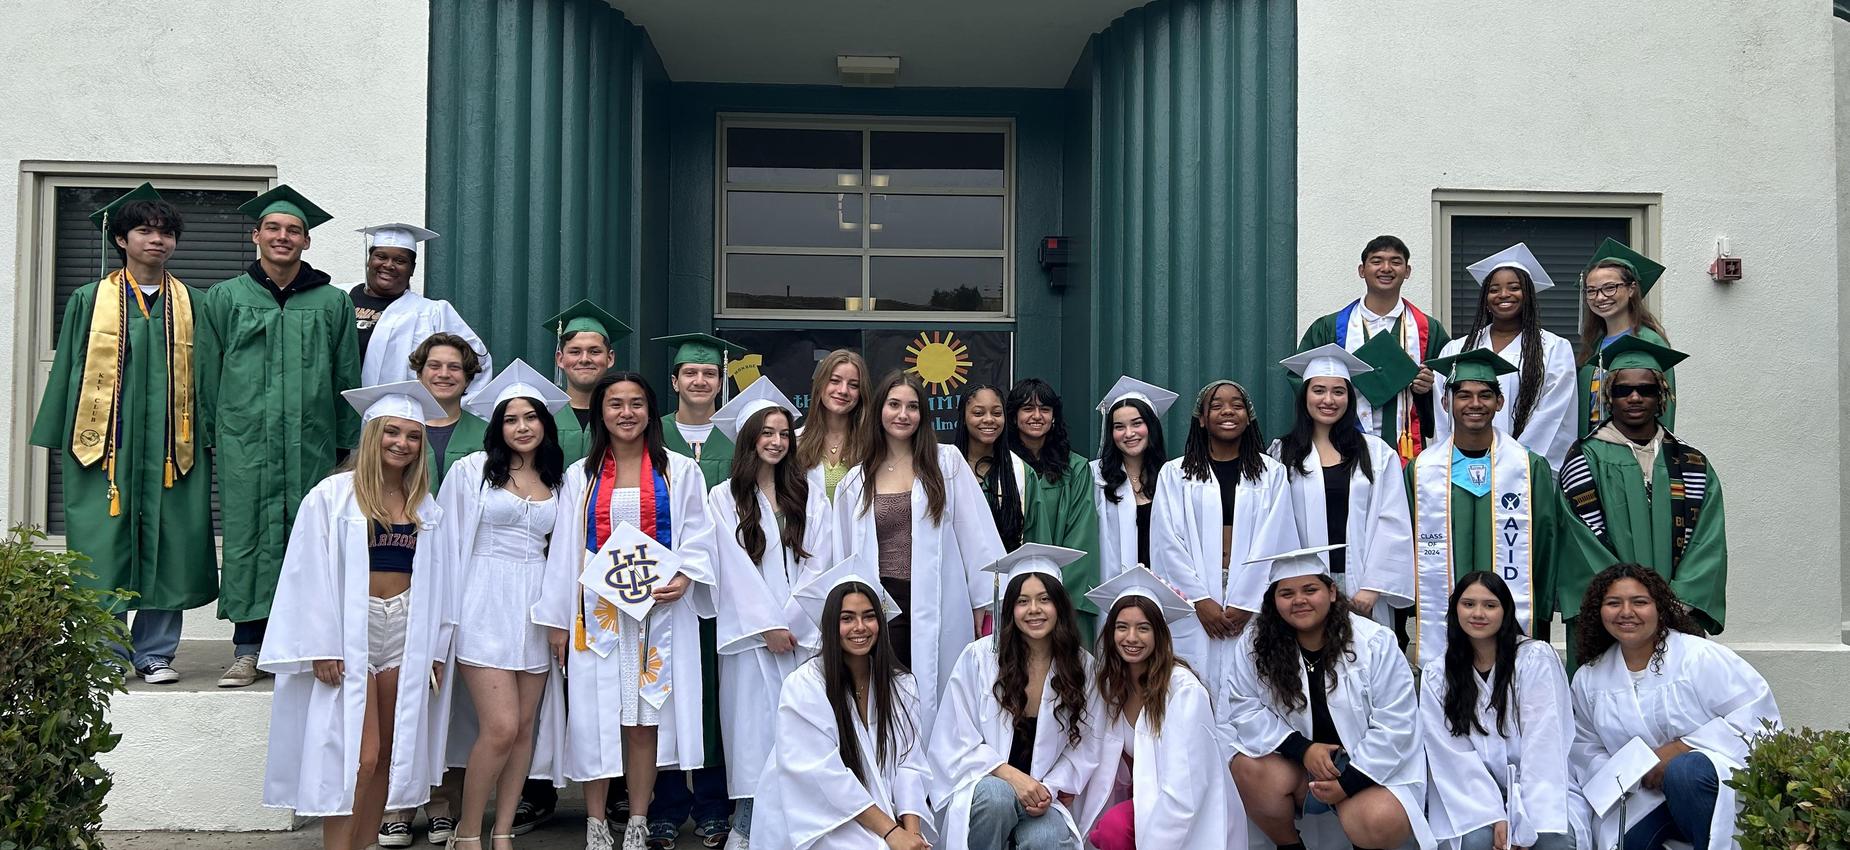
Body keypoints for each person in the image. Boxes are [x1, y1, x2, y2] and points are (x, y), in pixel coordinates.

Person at [30, 183, 217, 684]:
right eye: (144, 230)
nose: (156, 240)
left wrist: (213, 432)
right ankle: (105, 652)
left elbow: (210, 377)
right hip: (105, 446)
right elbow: (69, 367)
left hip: (171, 447)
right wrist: (60, 435)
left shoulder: (194, 303)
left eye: (165, 232)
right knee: (103, 541)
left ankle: (154, 652)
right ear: (120, 239)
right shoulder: (89, 299)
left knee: (171, 540)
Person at [258, 381, 453, 850]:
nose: (402, 443)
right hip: (351, 630)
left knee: (391, 752)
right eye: (392, 432)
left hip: (405, 630)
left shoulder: (424, 504)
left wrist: (437, 648)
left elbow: (445, 583)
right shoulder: (332, 496)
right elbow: (306, 574)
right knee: (358, 756)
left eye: (412, 436)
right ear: (372, 434)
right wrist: (320, 644)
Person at [532, 371, 717, 850]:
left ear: (651, 412)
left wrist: (686, 576)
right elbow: (566, 551)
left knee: (644, 719)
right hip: (598, 614)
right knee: (596, 717)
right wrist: (558, 620)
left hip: (659, 615)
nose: (626, 413)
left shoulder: (680, 470)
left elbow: (700, 535)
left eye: (636, 403)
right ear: (601, 413)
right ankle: (596, 821)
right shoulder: (582, 477)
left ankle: (638, 817)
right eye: (615, 404)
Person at [200, 184, 360, 687]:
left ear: (307, 242)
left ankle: (304, 648)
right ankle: (248, 649)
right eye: (273, 228)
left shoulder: (332, 302)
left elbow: (345, 376)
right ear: (256, 236)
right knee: (248, 538)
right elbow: (207, 372)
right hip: (245, 443)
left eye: (293, 230)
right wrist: (211, 437)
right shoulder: (225, 297)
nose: (282, 237)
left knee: (308, 541)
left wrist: (347, 445)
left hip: (312, 444)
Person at [433, 361, 570, 850]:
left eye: (531, 417)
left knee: (524, 729)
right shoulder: (471, 471)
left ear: (544, 424)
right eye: (511, 419)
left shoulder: (560, 480)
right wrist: (442, 624)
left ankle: (504, 831)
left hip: (536, 606)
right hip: (483, 600)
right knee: (500, 725)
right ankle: (469, 832)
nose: (522, 427)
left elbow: (566, 553)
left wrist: (560, 619)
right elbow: (446, 547)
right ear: (498, 427)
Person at [696, 378, 835, 846]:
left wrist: (795, 623)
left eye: (782, 433)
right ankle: (748, 829)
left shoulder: (810, 494)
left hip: (805, 639)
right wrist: (768, 625)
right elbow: (731, 571)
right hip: (751, 641)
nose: (776, 441)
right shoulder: (722, 499)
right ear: (748, 440)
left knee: (802, 735)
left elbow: (824, 562)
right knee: (753, 738)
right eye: (766, 433)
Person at [1409, 348, 1613, 667]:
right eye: (1463, 395)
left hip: (1514, 610)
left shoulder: (1530, 468)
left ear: (1499, 403)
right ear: (1446, 402)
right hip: (1444, 620)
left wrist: (1540, 608)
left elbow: (1546, 544)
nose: (1474, 404)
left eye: (1485, 395)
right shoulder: (1421, 470)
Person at [833, 371, 1006, 741]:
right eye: (894, 405)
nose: (903, 414)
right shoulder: (856, 480)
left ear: (923, 415)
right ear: (879, 410)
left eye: (912, 407)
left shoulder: (947, 463)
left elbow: (975, 536)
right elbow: (844, 553)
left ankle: (937, 779)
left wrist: (982, 604)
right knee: (889, 692)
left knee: (941, 688)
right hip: (882, 603)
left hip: (940, 599)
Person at [1224, 545, 1434, 850]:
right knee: (1247, 768)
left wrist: (1347, 783)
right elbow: (1244, 707)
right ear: (1274, 601)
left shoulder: (1375, 642)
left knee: (1379, 820)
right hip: (1302, 765)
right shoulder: (1256, 645)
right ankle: (1290, 847)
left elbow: (1396, 723)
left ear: (1332, 592)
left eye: (1310, 589)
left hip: (1368, 765)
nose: (1299, 601)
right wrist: (1302, 749)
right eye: (1286, 594)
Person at [1568, 564, 1780, 850]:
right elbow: (1586, 749)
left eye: (1640, 602)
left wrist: (1679, 750)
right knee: (1629, 843)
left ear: (1659, 608)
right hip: (1642, 796)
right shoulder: (1590, 678)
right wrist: (1635, 771)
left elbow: (1756, 717)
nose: (1626, 612)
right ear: (1599, 611)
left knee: (1684, 771)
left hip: (1705, 786)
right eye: (1613, 603)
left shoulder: (1698, 657)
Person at [648, 333, 752, 848]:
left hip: (719, 589)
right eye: (690, 372)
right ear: (675, 381)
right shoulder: (651, 433)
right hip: (658, 589)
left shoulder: (737, 440)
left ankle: (715, 804)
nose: (699, 380)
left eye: (709, 373)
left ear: (721, 381)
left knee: (714, 695)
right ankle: (663, 805)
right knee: (663, 696)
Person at [750, 563, 930, 850]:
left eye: (869, 616)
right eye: (848, 618)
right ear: (831, 625)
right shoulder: (805, 686)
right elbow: (825, 778)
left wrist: (913, 833)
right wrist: (892, 834)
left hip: (881, 814)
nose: (860, 627)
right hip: (821, 816)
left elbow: (909, 764)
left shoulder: (900, 684)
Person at [928, 545, 1095, 850]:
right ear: (1010, 609)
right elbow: (954, 737)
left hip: (1043, 794)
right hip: (986, 783)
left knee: (1045, 839)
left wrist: (1048, 788)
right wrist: (1011, 778)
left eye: (1045, 599)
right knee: (997, 798)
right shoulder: (979, 659)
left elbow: (1086, 744)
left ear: (1059, 605)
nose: (1034, 609)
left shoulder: (1081, 666)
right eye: (1023, 601)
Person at [1559, 337, 1725, 639]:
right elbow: (1578, 541)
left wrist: (1674, 603)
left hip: (1677, 613)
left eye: (1646, 390)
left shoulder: (1691, 464)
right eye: (1623, 390)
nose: (1635, 398)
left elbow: (1707, 542)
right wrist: (1626, 602)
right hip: (1608, 616)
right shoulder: (1584, 459)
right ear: (1610, 396)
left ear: (1661, 396)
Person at [1068, 567, 1243, 850]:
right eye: (1122, 627)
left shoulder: (1183, 692)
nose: (1131, 638)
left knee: (1113, 828)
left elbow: (1186, 790)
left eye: (1143, 628)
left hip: (1188, 817)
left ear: (1159, 634)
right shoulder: (1112, 687)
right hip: (1144, 803)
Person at [1148, 379, 1298, 702]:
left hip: (1251, 601)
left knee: (1252, 685)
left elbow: (1277, 538)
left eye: (1237, 405)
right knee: (1192, 688)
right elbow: (1167, 542)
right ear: (1201, 418)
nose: (1227, 411)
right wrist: (1199, 600)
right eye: (1216, 406)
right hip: (1196, 602)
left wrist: (1248, 600)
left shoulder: (1271, 474)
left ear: (1249, 416)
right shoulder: (1175, 475)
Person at [1421, 573, 1584, 850]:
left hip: (1540, 789)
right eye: (1468, 604)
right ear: (1455, 609)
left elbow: (1544, 744)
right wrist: (1495, 814)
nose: (1478, 613)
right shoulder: (1438, 674)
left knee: (1549, 838)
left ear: (1506, 611)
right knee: (1475, 840)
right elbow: (1451, 756)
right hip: (1471, 796)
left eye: (1490, 605)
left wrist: (1524, 818)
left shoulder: (1535, 659)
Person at [1272, 345, 1413, 631]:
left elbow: (1393, 521)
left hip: (1361, 586)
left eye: (1339, 391)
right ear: (1305, 396)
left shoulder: (1376, 453)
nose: (1328, 400)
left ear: (1350, 397)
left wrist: (1373, 587)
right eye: (1319, 390)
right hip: (1303, 587)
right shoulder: (1281, 453)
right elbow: (1274, 526)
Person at [1296, 235, 1451, 462]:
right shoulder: (1330, 327)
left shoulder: (1428, 330)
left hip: (1405, 447)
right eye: (1377, 261)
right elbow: (1301, 380)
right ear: (1362, 270)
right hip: (1340, 445)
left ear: (1407, 271)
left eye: (1395, 262)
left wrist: (1428, 389)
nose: (1386, 268)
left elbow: (1450, 387)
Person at [1433, 243, 1578, 470]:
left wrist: (1514, 461)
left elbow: (1554, 415)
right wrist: (1456, 459)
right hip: (1463, 467)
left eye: (1514, 287)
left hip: (1525, 468)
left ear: (1528, 295)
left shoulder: (1554, 349)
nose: (1503, 295)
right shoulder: (1457, 349)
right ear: (1485, 298)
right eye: (1494, 289)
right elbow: (1444, 414)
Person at [1000, 379, 1102, 637]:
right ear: (1013, 417)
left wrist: (1054, 596)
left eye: (1045, 409)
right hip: (1011, 593)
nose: (1037, 416)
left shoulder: (1076, 468)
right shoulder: (1001, 468)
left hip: (1064, 594)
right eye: (1027, 409)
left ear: (1054, 417)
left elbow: (1081, 538)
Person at [349, 222, 492, 393]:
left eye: (400, 260)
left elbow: (477, 362)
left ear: (412, 269)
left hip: (397, 415)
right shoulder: (338, 298)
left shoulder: (431, 313)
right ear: (369, 260)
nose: (388, 265)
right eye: (381, 257)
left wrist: (449, 412)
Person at [1576, 238, 1675, 435]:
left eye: (1610, 287)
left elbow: (1664, 407)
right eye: (1592, 291)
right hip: (1593, 449)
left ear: (1631, 289)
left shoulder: (1650, 341)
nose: (1600, 297)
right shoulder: (1594, 346)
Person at [1092, 377, 1178, 578]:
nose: (1129, 433)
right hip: (1113, 589)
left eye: (1137, 423)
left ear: (1151, 427)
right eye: (1119, 426)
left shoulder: (1172, 477)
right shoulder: (1095, 477)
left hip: (1164, 588)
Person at [541, 300, 627, 463]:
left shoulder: (625, 415)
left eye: (594, 351)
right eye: (575, 351)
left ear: (610, 358)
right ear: (560, 359)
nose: (585, 359)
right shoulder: (542, 415)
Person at [412, 332, 489, 492]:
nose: (444, 374)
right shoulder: (399, 429)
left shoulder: (487, 434)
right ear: (419, 374)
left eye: (454, 367)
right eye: (434, 366)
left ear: (467, 378)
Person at [794, 348, 872, 503]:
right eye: (835, 381)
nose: (843, 390)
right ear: (820, 384)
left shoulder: (873, 444)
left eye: (854, 385)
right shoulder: (795, 442)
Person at [950, 383, 1011, 543]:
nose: (989, 419)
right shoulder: (944, 469)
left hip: (1007, 565)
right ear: (963, 418)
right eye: (978, 413)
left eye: (997, 413)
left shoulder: (1020, 474)